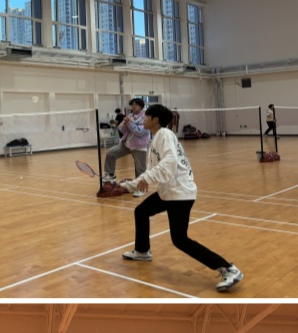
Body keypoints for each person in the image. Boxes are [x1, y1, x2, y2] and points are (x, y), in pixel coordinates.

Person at [119, 102, 243, 292]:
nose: (144, 119)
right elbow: (152, 171)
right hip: (169, 192)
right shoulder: (156, 138)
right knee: (141, 211)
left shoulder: (164, 134)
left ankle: (228, 268)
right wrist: (128, 186)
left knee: (180, 240)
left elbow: (169, 163)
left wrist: (143, 180)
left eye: (147, 116)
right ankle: (142, 251)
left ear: (155, 120)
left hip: (180, 194)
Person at [104, 97, 150, 182]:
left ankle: (140, 185)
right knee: (110, 153)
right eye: (132, 104)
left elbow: (139, 132)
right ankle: (110, 175)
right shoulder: (130, 116)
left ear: (141, 106)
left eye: (136, 104)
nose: (133, 106)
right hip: (127, 144)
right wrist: (125, 124)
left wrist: (129, 123)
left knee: (140, 168)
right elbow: (121, 129)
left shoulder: (146, 117)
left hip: (139, 146)